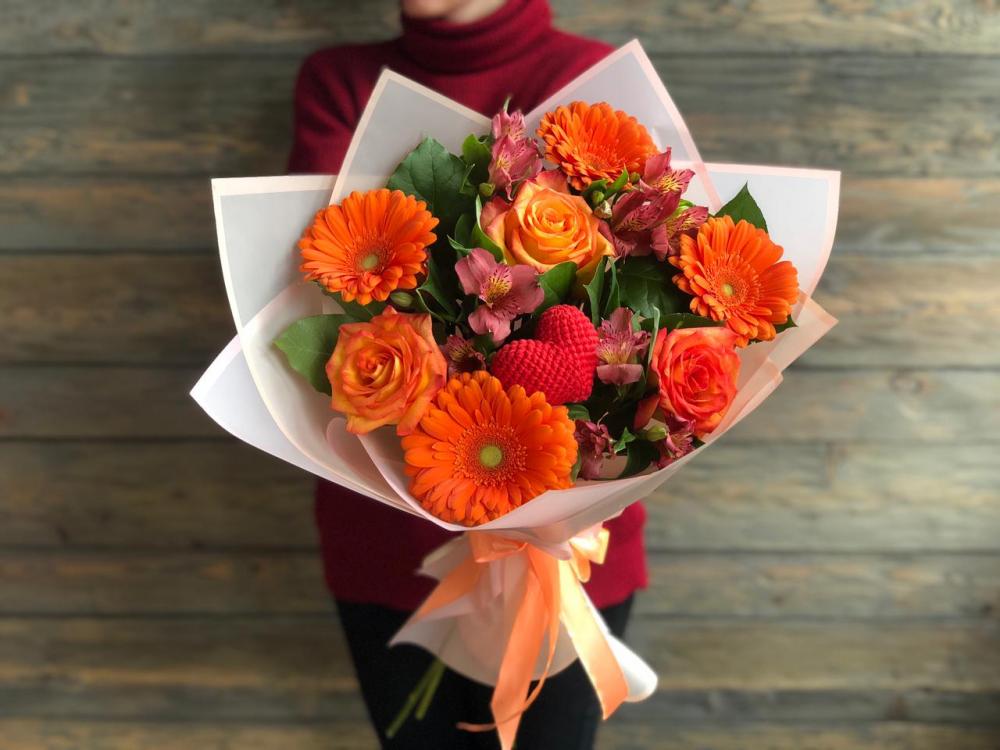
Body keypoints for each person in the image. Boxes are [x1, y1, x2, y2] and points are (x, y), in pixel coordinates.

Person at [287, 1, 648, 746]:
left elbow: (641, 306)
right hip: (389, 541)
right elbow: (307, 287)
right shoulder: (339, 81)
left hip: (565, 548)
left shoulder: (594, 78)